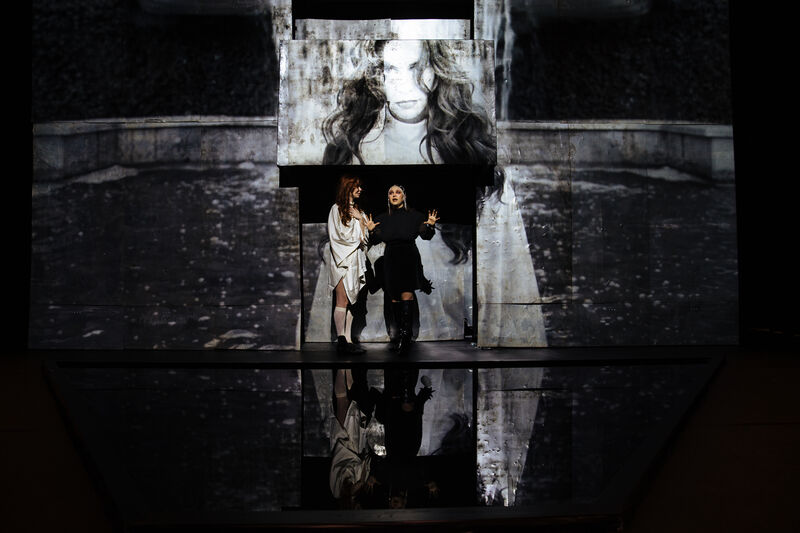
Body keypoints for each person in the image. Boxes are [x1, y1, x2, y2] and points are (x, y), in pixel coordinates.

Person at [322, 40, 496, 166]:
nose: (405, 87)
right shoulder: (346, 150)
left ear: (436, 72)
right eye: (391, 69)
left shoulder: (468, 142)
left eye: (416, 68)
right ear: (375, 78)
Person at [365, 184, 439, 353]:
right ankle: (399, 334)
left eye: (398, 192)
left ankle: (406, 336)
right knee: (394, 297)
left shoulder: (415, 216)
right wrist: (371, 231)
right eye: (391, 192)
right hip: (390, 258)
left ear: (404, 196)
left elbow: (426, 236)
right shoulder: (382, 218)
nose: (394, 195)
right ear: (388, 197)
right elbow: (376, 240)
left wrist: (430, 226)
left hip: (408, 256)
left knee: (406, 293)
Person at [327, 175, 370, 354]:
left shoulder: (359, 211)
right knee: (342, 300)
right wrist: (356, 240)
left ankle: (349, 340)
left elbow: (365, 239)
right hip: (343, 260)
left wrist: (360, 220)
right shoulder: (336, 209)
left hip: (356, 261)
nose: (360, 189)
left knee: (353, 301)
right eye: (356, 186)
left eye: (360, 186)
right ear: (348, 187)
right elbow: (337, 236)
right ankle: (341, 340)